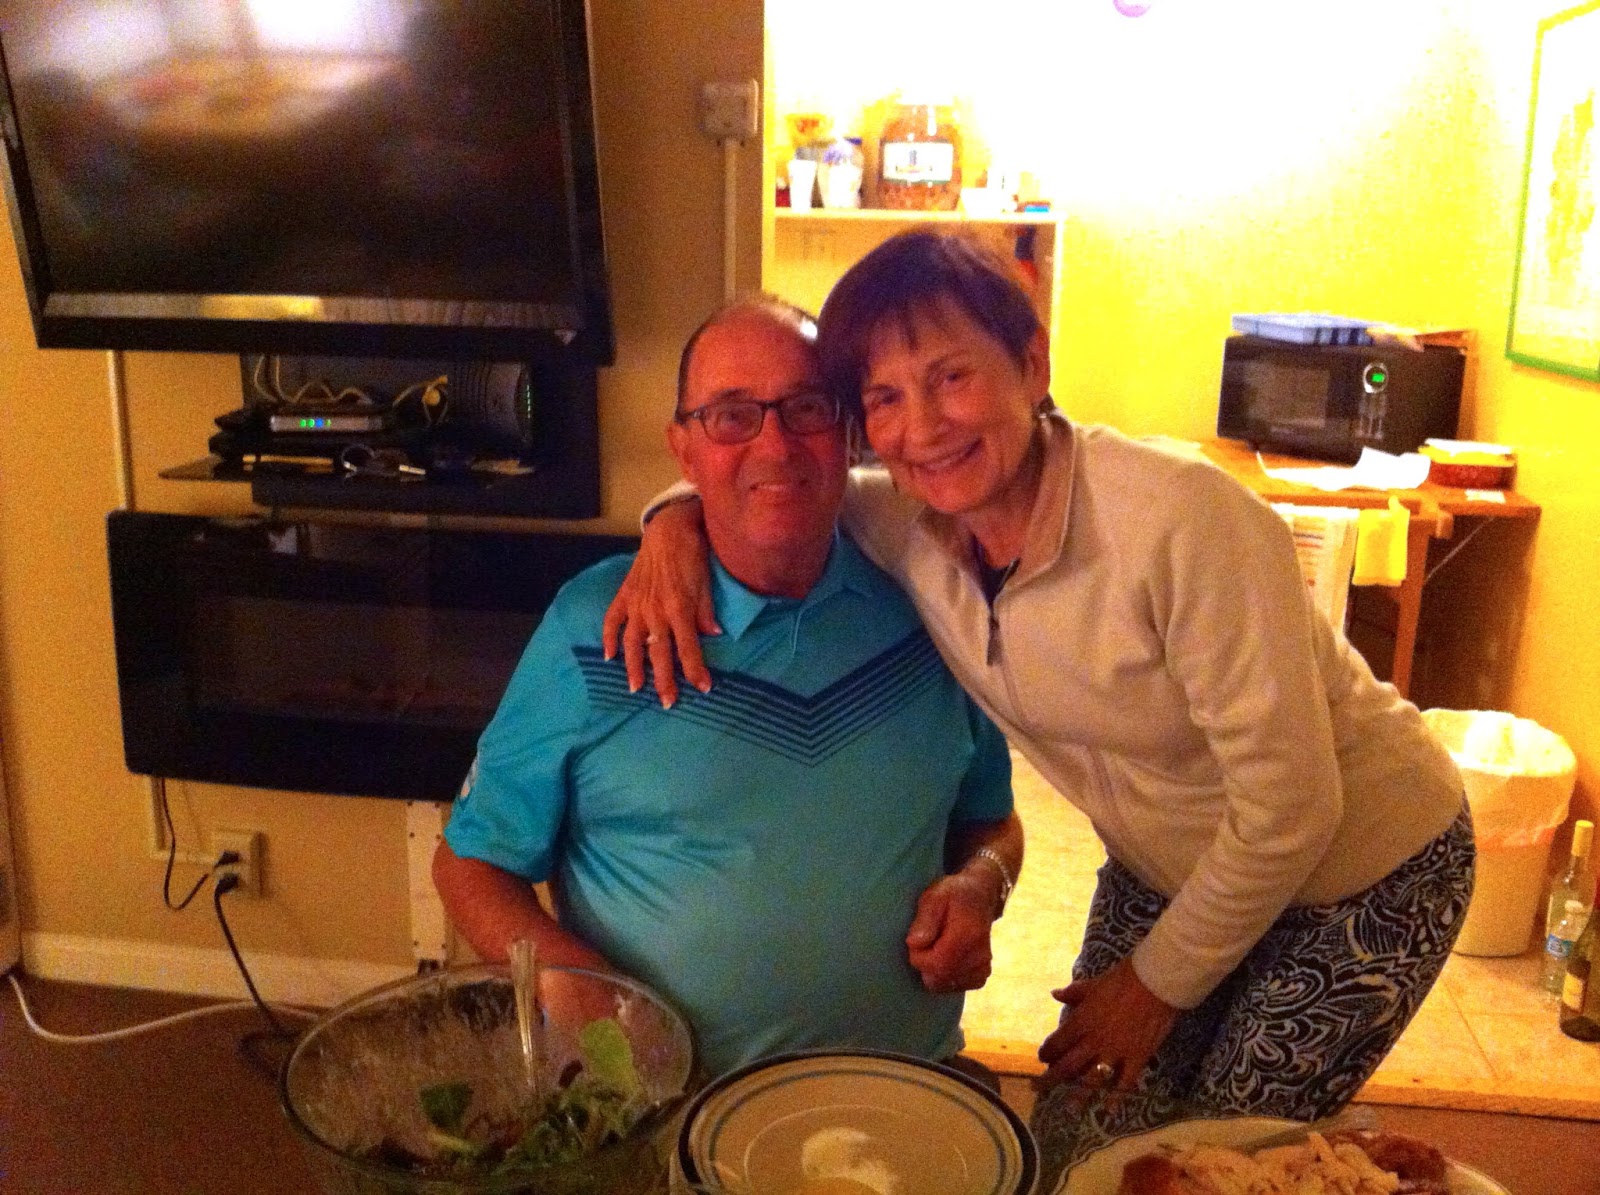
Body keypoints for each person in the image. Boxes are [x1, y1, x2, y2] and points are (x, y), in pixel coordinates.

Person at [604, 230, 1474, 1156]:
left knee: (1224, 1154)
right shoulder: (910, 518)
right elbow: (773, 486)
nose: (922, 427)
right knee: (1076, 1138)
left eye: (950, 377)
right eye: (885, 398)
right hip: (1168, 860)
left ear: (1031, 364)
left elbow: (1293, 806)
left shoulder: (1184, 521)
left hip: (1363, 865)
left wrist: (1153, 986)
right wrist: (671, 525)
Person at [433, 295, 1022, 1081]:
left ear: (847, 431)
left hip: (899, 1088)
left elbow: (993, 820)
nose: (774, 443)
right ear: (683, 448)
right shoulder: (595, 629)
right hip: (665, 1101)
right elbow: (469, 864)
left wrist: (982, 884)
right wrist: (564, 978)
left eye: (806, 407)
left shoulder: (937, 609)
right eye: (731, 416)